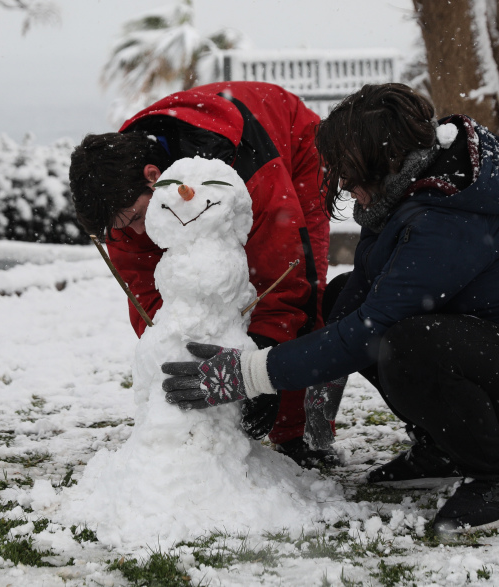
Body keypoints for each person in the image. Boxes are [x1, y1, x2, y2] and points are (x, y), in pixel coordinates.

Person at [161, 84, 499, 539]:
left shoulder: (444, 219)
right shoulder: (409, 193)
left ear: (385, 159)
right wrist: (300, 389)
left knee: (408, 344)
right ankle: (444, 447)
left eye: (349, 171)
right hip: (494, 349)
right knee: (341, 298)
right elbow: (355, 307)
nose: (344, 185)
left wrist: (251, 373)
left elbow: (367, 331)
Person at [68, 81, 338, 466]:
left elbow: (285, 279)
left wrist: (263, 368)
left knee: (307, 294)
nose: (138, 234)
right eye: (123, 228)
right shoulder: (120, 200)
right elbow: (151, 303)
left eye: (139, 218)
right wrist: (179, 355)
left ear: (153, 176)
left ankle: (303, 433)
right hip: (196, 166)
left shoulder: (245, 169)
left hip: (290, 149)